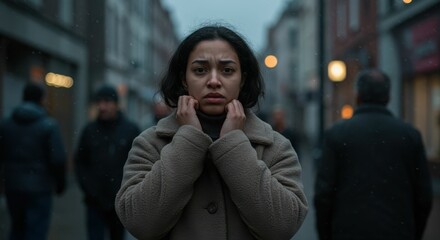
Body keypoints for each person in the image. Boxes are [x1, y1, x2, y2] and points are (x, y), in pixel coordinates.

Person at [115, 24, 308, 240]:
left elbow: (281, 227)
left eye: (227, 70)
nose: (214, 81)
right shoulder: (150, 143)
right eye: (200, 70)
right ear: (183, 79)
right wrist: (188, 140)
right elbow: (140, 223)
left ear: (242, 79)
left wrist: (234, 144)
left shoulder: (276, 146)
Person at [314, 69, 433, 240]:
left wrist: (326, 234)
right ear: (388, 97)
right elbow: (423, 196)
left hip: (348, 231)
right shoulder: (409, 135)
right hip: (397, 231)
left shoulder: (337, 134)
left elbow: (323, 195)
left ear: (358, 96)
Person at [0, 82, 67, 240]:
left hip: (13, 185)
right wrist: (60, 184)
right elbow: (58, 158)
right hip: (40, 188)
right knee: (36, 231)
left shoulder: (7, 123)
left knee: (17, 228)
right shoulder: (48, 125)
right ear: (41, 99)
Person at [74, 85, 140, 240]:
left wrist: (127, 189)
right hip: (94, 201)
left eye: (107, 102)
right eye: (99, 102)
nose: (102, 106)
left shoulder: (130, 130)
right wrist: (89, 189)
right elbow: (80, 162)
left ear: (116, 104)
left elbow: (138, 163)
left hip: (120, 202)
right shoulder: (89, 130)